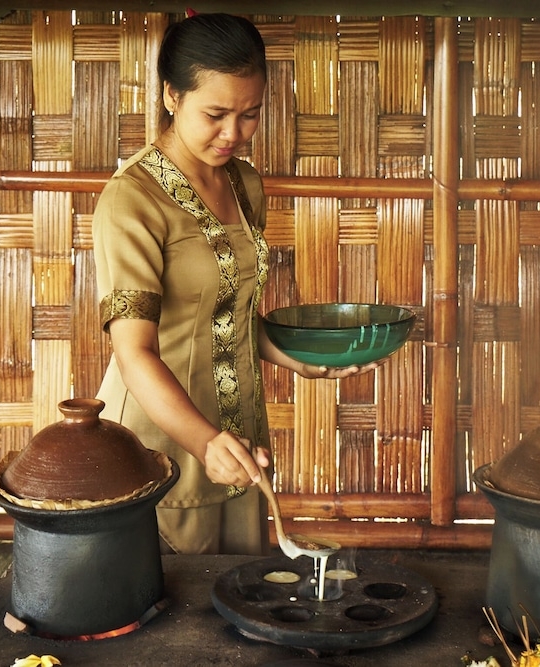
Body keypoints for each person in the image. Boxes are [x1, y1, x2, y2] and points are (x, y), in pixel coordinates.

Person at [92, 13, 374, 556]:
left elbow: (229, 314)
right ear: (172, 96)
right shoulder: (132, 199)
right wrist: (203, 442)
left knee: (235, 612)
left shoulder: (243, 183)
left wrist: (296, 355)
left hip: (238, 435)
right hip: (163, 445)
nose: (233, 134)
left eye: (250, 115)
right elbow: (133, 353)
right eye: (215, 114)